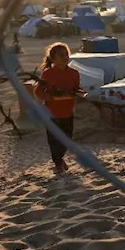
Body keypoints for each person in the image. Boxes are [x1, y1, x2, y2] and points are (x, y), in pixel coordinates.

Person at [34, 42, 81, 173]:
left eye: (66, 54)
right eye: (61, 55)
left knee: (67, 139)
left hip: (68, 111)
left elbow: (77, 89)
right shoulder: (47, 74)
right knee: (54, 140)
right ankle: (58, 164)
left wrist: (78, 93)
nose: (65, 57)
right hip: (51, 113)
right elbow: (38, 91)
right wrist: (48, 97)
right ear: (53, 58)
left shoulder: (74, 73)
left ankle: (59, 159)